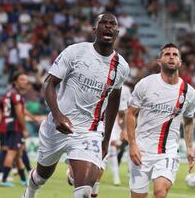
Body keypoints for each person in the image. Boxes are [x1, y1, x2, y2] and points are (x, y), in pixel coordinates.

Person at [22, 12, 129, 198]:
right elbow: (48, 83)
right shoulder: (75, 51)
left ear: (117, 31)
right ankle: (30, 192)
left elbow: (113, 101)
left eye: (113, 24)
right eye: (103, 23)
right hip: (57, 126)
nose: (108, 26)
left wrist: (105, 140)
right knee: (41, 176)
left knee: (86, 191)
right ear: (95, 29)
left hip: (89, 131)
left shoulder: (121, 67)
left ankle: (77, 174)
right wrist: (57, 115)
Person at [127, 43, 195, 198]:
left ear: (180, 62)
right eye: (167, 54)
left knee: (160, 192)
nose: (171, 57)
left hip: (167, 151)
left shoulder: (189, 93)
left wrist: (190, 148)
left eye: (175, 55)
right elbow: (131, 114)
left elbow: (188, 121)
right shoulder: (146, 84)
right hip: (141, 150)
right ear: (159, 61)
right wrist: (132, 144)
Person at [66, 84, 131, 196]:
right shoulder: (93, 81)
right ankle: (72, 173)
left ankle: (98, 189)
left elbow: (122, 112)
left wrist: (124, 130)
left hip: (107, 129)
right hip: (88, 129)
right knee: (83, 175)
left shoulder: (123, 89)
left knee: (99, 170)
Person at [0, 72, 29, 187]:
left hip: (6, 126)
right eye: (22, 79)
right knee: (12, 152)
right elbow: (19, 112)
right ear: (15, 82)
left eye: (26, 80)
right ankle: (4, 180)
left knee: (18, 154)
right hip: (15, 127)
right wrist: (24, 128)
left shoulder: (7, 94)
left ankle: (23, 180)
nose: (25, 82)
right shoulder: (16, 95)